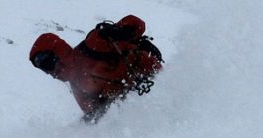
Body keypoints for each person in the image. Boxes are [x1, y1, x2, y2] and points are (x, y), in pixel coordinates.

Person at [29, 15, 163, 123]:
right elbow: (94, 116)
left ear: (59, 53)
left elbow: (137, 23)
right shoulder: (77, 87)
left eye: (48, 63)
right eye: (44, 69)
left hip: (153, 74)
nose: (50, 72)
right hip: (140, 99)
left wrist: (123, 31)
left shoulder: (93, 45)